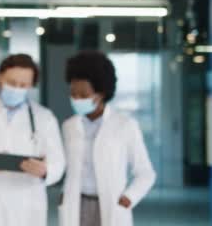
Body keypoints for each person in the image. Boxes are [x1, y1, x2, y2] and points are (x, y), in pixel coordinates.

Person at [0, 54, 65, 226]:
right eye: (12, 83)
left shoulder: (44, 118)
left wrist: (45, 171)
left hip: (27, 203)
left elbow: (58, 162)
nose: (17, 89)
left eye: (23, 85)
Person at [59, 51, 156, 226]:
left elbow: (145, 173)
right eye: (73, 94)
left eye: (83, 95)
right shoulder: (69, 126)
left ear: (101, 94)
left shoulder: (125, 126)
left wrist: (128, 198)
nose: (76, 99)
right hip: (76, 203)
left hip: (112, 205)